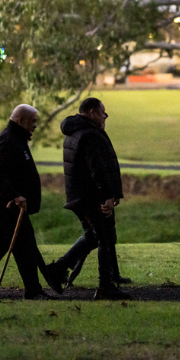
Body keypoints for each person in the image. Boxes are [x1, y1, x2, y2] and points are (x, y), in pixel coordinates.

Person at [0, 105, 67, 301]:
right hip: (7, 207)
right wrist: (14, 195)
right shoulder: (8, 139)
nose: (35, 125)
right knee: (0, 245)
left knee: (25, 246)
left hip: (16, 208)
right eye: (33, 121)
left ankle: (33, 290)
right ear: (21, 120)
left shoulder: (17, 138)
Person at [45, 98, 131, 300]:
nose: (104, 117)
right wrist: (108, 196)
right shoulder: (90, 135)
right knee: (105, 238)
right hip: (91, 196)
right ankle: (105, 287)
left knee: (94, 236)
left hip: (78, 195)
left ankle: (58, 269)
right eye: (103, 113)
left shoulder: (74, 132)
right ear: (92, 112)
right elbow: (98, 169)